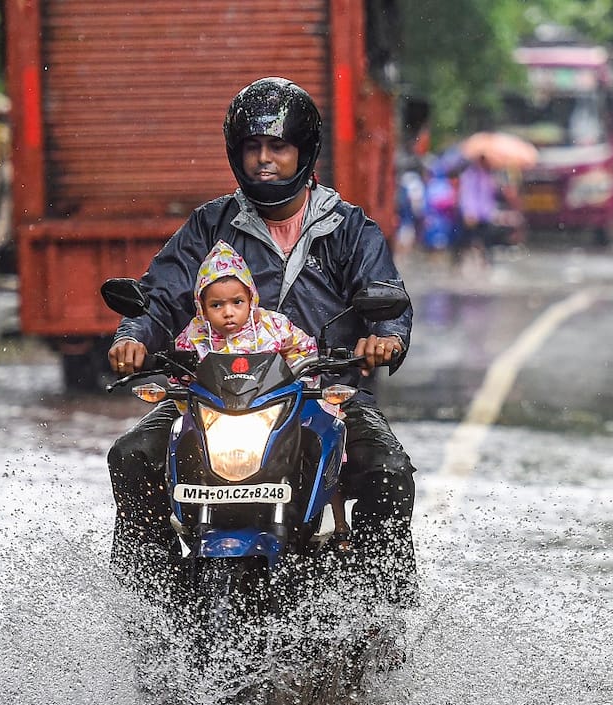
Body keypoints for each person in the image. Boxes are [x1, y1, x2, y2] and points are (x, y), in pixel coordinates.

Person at [107, 76, 415, 602]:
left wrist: (384, 336)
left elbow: (385, 294)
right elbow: (162, 293)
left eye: (278, 146)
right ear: (236, 153)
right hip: (210, 398)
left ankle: (377, 610)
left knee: (387, 472)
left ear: (305, 151)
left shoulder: (349, 228)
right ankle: (149, 603)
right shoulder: (210, 224)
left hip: (322, 398)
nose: (264, 159)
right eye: (253, 147)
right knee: (131, 455)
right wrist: (133, 335)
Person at [173, 239, 350, 542]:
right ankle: (177, 517)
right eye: (217, 305)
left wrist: (302, 376)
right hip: (216, 416)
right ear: (201, 307)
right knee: (178, 436)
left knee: (326, 431)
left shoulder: (272, 326)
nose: (228, 313)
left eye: (236, 302)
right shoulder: (195, 335)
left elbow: (304, 350)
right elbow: (181, 372)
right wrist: (181, 382)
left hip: (272, 411)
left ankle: (338, 522)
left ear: (251, 298)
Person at [455, 155, 497, 270]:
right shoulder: (470, 175)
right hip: (472, 215)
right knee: (465, 243)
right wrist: (468, 212)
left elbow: (489, 197)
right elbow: (466, 195)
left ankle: (485, 267)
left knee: (486, 243)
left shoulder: (488, 175)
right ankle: (458, 267)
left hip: (485, 215)